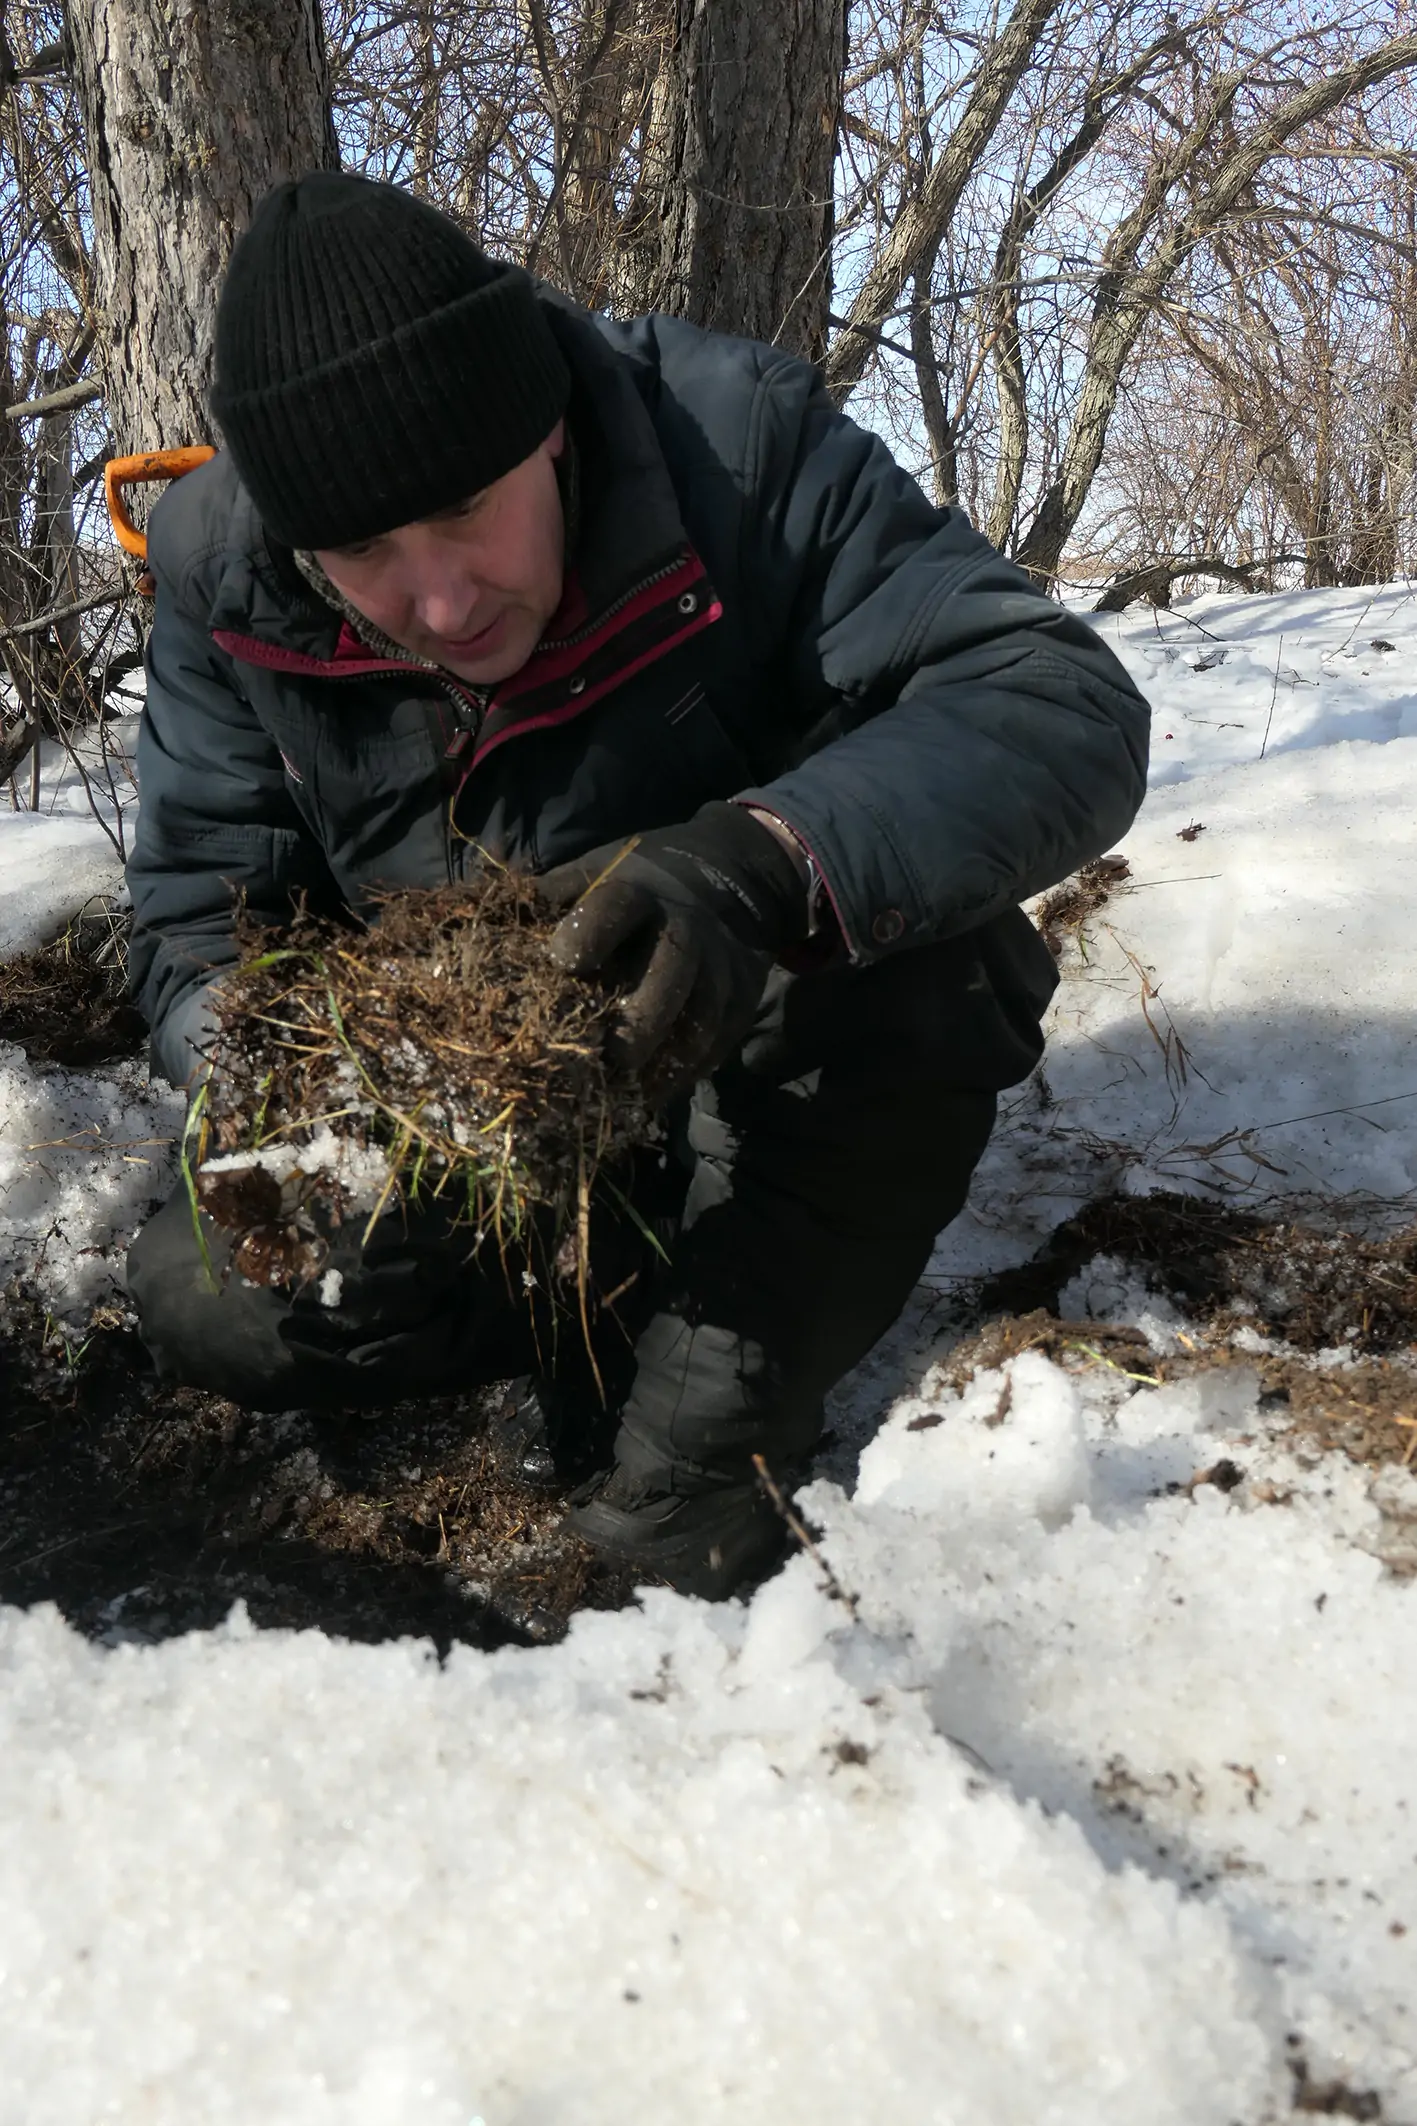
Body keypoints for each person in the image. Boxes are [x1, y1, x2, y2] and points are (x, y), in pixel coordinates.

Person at [125, 172, 1149, 1599]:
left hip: (766, 1082)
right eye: (364, 554)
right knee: (205, 1290)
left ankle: (697, 1441)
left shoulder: (740, 445)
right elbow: (189, 917)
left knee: (919, 975)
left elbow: (1061, 701)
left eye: (468, 510)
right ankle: (570, 1313)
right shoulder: (221, 577)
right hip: (474, 1129)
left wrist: (767, 861)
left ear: (545, 429)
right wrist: (307, 1095)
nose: (438, 602)